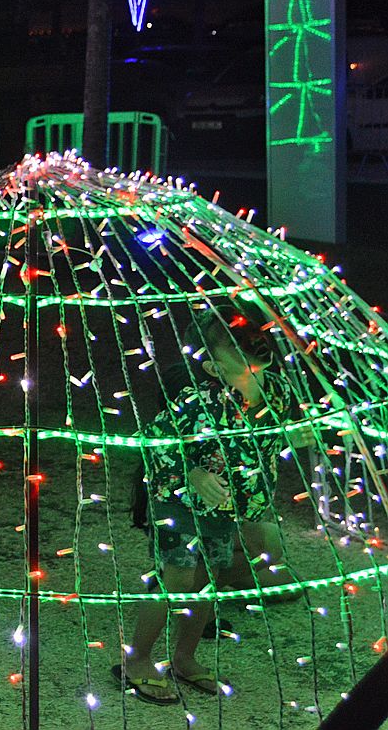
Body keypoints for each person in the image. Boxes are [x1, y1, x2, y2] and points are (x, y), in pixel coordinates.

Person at [119, 300, 302, 704]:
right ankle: (138, 659)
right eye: (234, 350)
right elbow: (156, 444)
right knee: (177, 579)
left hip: (227, 508)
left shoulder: (278, 393)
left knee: (208, 582)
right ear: (212, 368)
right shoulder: (196, 401)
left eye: (252, 342)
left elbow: (277, 437)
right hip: (177, 503)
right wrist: (192, 474)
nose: (251, 352)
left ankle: (185, 658)